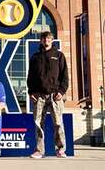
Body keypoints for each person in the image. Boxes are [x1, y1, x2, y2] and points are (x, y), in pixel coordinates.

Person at [27, 31, 68, 159]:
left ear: (52, 40)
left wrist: (61, 91)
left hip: (55, 95)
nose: (46, 41)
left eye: (49, 39)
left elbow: (65, 76)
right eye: (44, 39)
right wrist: (31, 91)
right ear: (41, 41)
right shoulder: (35, 57)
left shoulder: (59, 56)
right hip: (39, 96)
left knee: (58, 123)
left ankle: (60, 150)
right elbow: (31, 77)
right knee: (38, 124)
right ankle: (39, 151)